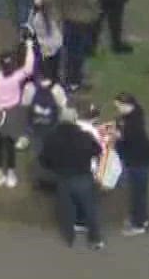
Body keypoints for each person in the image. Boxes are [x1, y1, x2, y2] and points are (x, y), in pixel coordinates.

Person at [41, 105, 104, 248]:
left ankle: (69, 238)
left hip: (63, 177)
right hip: (83, 176)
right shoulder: (84, 136)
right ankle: (95, 240)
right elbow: (98, 150)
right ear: (75, 120)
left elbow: (44, 159)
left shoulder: (52, 137)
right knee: (90, 208)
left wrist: (53, 167)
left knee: (66, 208)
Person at [0, 39, 36, 188]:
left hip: (12, 113)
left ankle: (10, 173)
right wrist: (30, 46)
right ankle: (0, 173)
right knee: (0, 146)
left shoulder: (2, 78)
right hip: (0, 114)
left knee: (10, 146)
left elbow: (28, 69)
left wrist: (30, 47)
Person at [112, 92, 149, 235]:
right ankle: (141, 218)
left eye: (118, 106)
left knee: (138, 193)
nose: (117, 109)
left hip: (139, 160)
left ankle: (139, 224)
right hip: (137, 159)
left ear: (126, 105)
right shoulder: (131, 116)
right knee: (137, 191)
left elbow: (129, 139)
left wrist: (118, 137)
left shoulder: (134, 123)